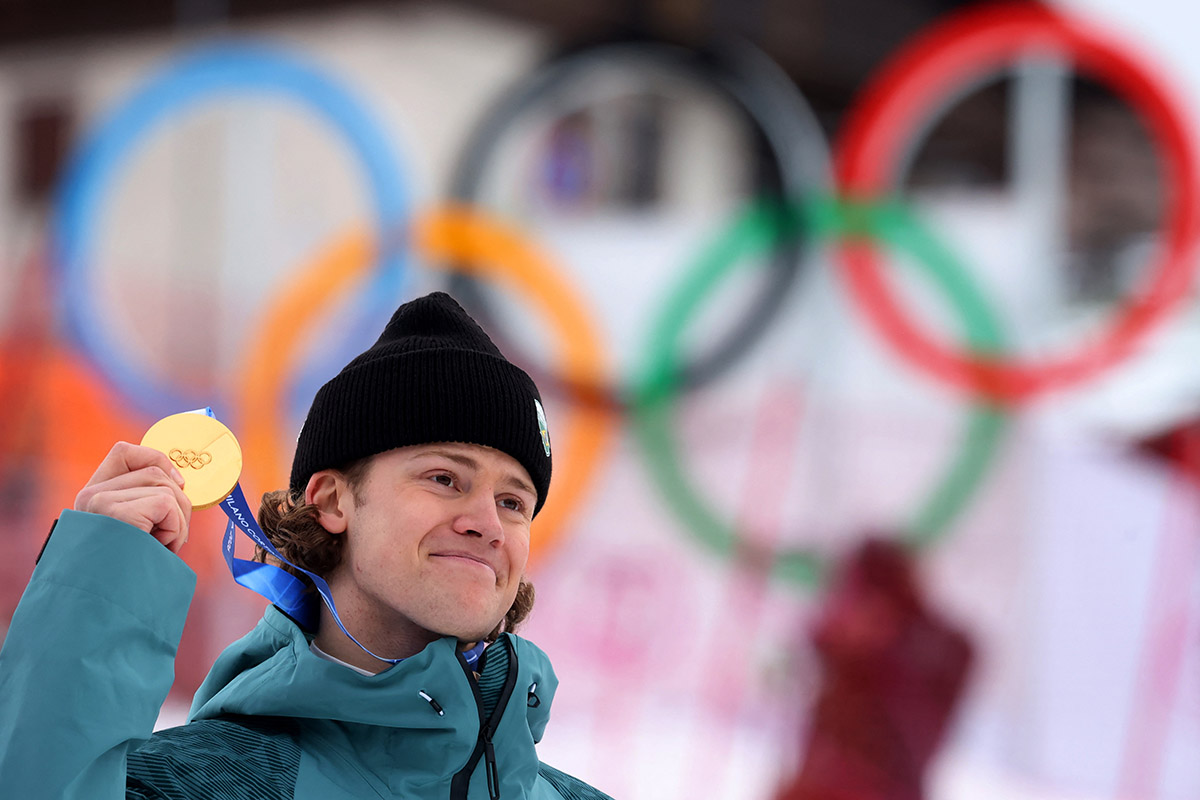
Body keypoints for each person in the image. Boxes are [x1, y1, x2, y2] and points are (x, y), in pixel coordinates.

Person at [0, 291, 612, 800]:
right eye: (444, 479)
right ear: (332, 501)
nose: (488, 524)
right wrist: (98, 585)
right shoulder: (206, 784)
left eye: (513, 502)